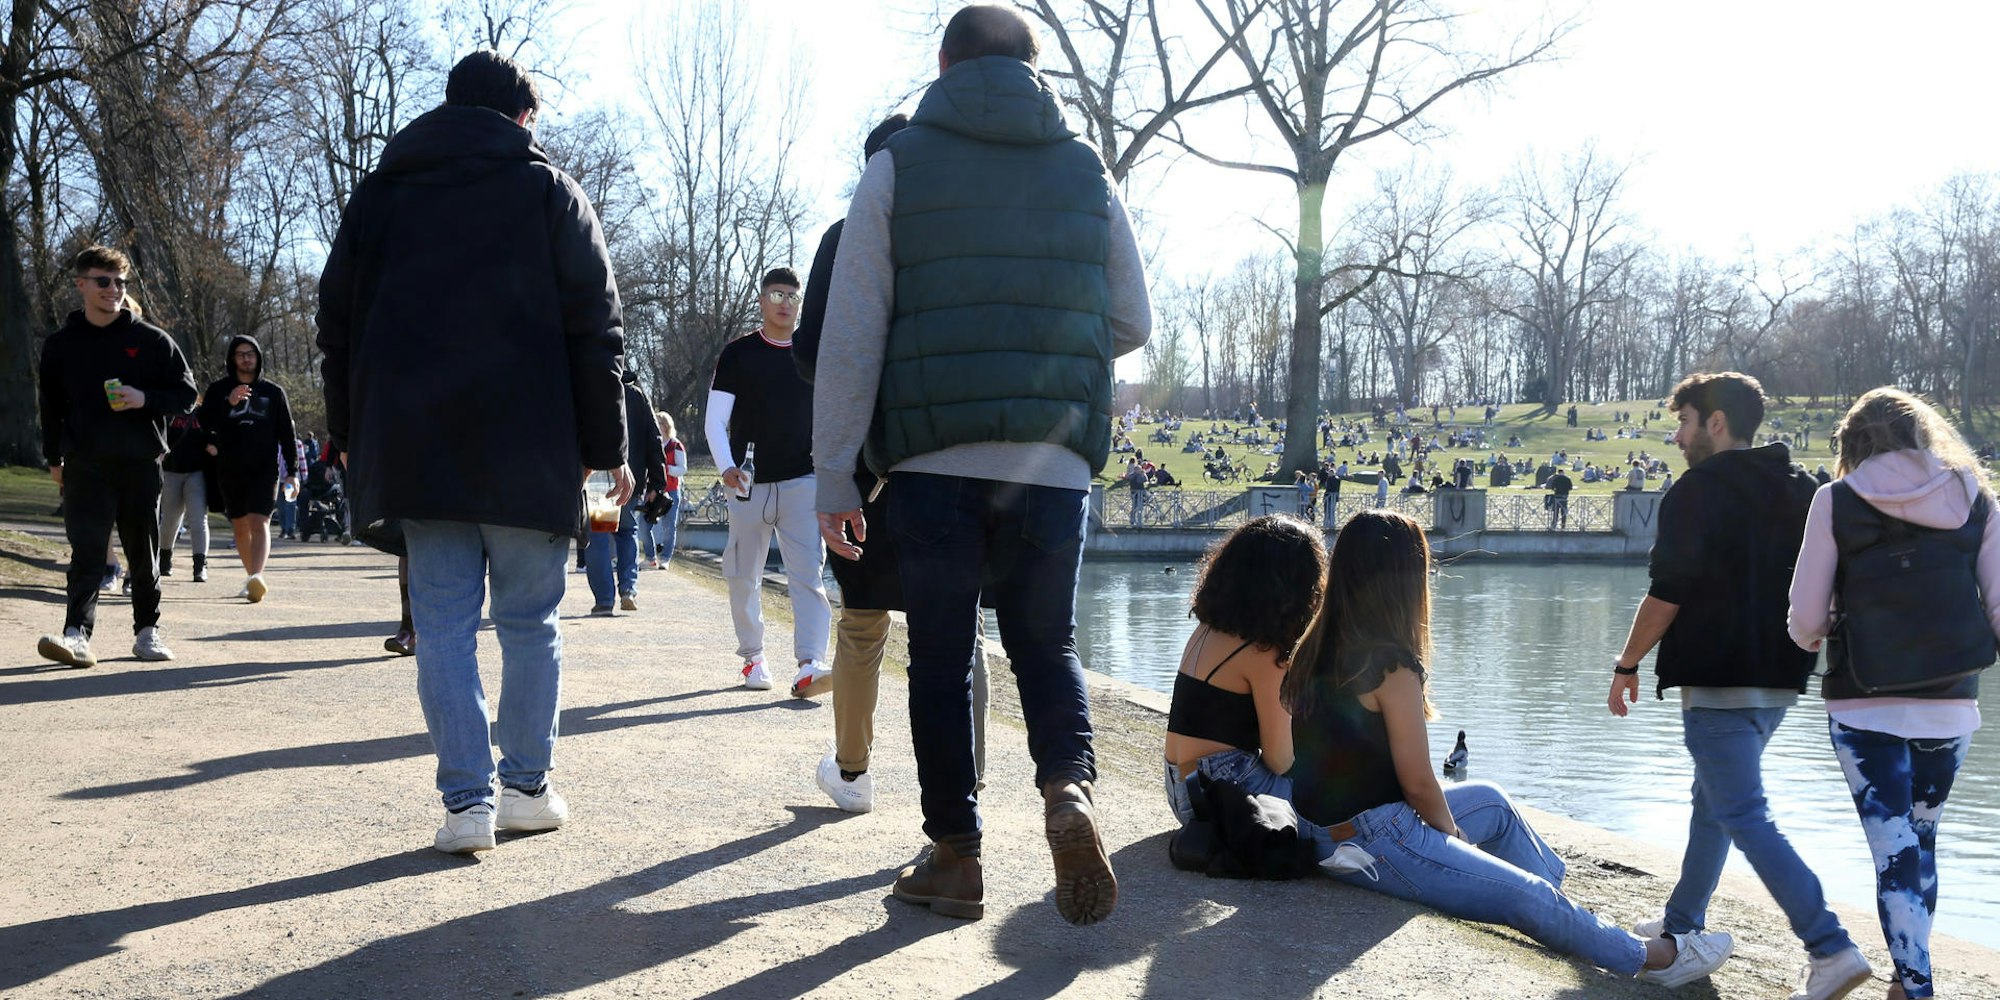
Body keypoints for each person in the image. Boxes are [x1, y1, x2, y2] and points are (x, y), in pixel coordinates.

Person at [812, 4, 1150, 926]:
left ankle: (956, 855)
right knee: (1047, 643)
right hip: (1051, 462)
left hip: (931, 461)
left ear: (944, 61)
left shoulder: (898, 167)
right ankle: (1068, 794)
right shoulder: (1087, 170)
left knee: (942, 655)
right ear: (1033, 67)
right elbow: (1132, 320)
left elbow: (852, 333)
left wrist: (836, 474)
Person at [316, 49, 632, 855]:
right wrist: (606, 448)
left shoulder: (383, 193)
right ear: (521, 117)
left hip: (419, 446)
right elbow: (595, 330)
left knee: (446, 627)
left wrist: (350, 433)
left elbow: (338, 323)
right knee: (530, 623)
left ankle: (466, 805)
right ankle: (526, 787)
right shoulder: (548, 191)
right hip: (530, 443)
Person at [1289, 510, 1732, 986]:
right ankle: (1656, 959)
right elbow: (1418, 784)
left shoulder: (1313, 647)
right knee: (1526, 899)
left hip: (1331, 829)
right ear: (1404, 580)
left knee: (1494, 803)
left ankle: (1570, 918)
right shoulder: (1390, 667)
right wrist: (1451, 838)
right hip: (1377, 842)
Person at [1607, 372, 1870, 999]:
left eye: (1685, 422)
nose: (1677, 436)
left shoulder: (1694, 492)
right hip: (1782, 677)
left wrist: (1626, 664)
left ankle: (1829, 946)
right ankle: (1682, 925)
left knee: (1741, 811)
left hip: (1718, 678)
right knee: (1715, 801)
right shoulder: (1804, 487)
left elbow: (1668, 590)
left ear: (1716, 422)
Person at [793, 113, 992, 813]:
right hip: (952, 457)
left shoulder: (843, 237)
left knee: (862, 623)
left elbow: (813, 353)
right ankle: (966, 783)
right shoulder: (966, 238)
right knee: (958, 627)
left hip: (869, 463)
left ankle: (851, 773)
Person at [1788, 388, 1993, 1000]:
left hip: (1863, 701)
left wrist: (1818, 629)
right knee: (1919, 843)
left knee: (1893, 849)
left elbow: (1804, 618)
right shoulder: (1973, 496)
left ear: (1851, 442)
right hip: (1951, 698)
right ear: (1922, 435)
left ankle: (1917, 987)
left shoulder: (1836, 500)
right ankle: (1911, 984)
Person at [36, 247, 197, 666]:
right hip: (85, 462)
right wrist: (54, 458)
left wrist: (144, 398)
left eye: (121, 282)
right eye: (104, 281)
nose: (114, 290)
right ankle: (76, 635)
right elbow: (50, 407)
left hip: (139, 462)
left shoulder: (151, 340)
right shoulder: (60, 345)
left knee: (142, 555)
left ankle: (147, 632)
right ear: (82, 285)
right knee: (86, 553)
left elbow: (187, 396)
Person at [706, 267, 833, 695]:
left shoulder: (814, 352)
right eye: (776, 294)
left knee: (808, 578)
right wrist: (727, 467)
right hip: (747, 485)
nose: (785, 303)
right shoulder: (739, 354)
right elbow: (715, 421)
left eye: (792, 297)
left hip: (804, 482)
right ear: (762, 300)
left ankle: (810, 665)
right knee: (743, 576)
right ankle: (753, 659)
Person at [1164, 515, 1325, 824]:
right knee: (1349, 804)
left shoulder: (1208, 628)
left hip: (1182, 790)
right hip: (1224, 795)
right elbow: (1280, 760)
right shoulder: (1263, 651)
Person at [199, 335, 300, 603]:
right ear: (233, 359)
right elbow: (203, 420)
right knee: (240, 525)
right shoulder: (219, 389)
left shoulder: (273, 392)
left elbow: (287, 435)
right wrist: (228, 403)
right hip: (229, 468)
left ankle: (257, 576)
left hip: (264, 469)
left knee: (260, 521)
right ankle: (250, 577)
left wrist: (292, 470)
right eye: (241, 354)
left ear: (258, 357)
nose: (246, 358)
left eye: (251, 354)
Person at [585, 370, 665, 615]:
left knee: (599, 537)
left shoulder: (591, 392)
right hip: (633, 478)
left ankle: (604, 600)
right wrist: (657, 482)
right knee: (627, 533)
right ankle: (628, 589)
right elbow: (654, 439)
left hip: (600, 477)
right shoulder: (638, 397)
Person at [158, 398, 211, 583]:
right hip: (171, 472)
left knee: (198, 519)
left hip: (196, 473)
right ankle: (165, 559)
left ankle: (200, 565)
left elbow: (213, 433)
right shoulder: (168, 410)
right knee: (170, 520)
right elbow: (159, 433)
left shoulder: (203, 413)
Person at [643, 411, 685, 570]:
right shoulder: (653, 444)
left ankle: (665, 558)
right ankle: (650, 556)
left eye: (659, 424)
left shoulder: (676, 446)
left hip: (671, 491)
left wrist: (665, 469)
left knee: (669, 526)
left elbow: (682, 469)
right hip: (653, 490)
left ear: (666, 426)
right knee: (644, 525)